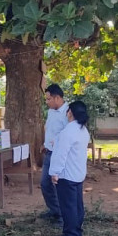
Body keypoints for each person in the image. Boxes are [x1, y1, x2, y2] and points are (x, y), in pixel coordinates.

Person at [49, 101, 90, 236]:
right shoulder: (82, 130)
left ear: (70, 112)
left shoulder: (68, 131)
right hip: (77, 173)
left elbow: (61, 154)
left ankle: (70, 235)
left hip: (66, 174)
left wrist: (55, 172)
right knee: (77, 205)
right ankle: (77, 231)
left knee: (68, 206)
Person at [41, 84, 69, 223]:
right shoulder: (51, 111)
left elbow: (68, 135)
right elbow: (50, 129)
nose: (47, 102)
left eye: (48, 99)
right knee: (45, 183)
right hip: (49, 152)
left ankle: (64, 216)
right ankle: (55, 211)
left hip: (60, 155)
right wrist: (44, 144)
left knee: (60, 185)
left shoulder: (68, 113)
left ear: (57, 98)